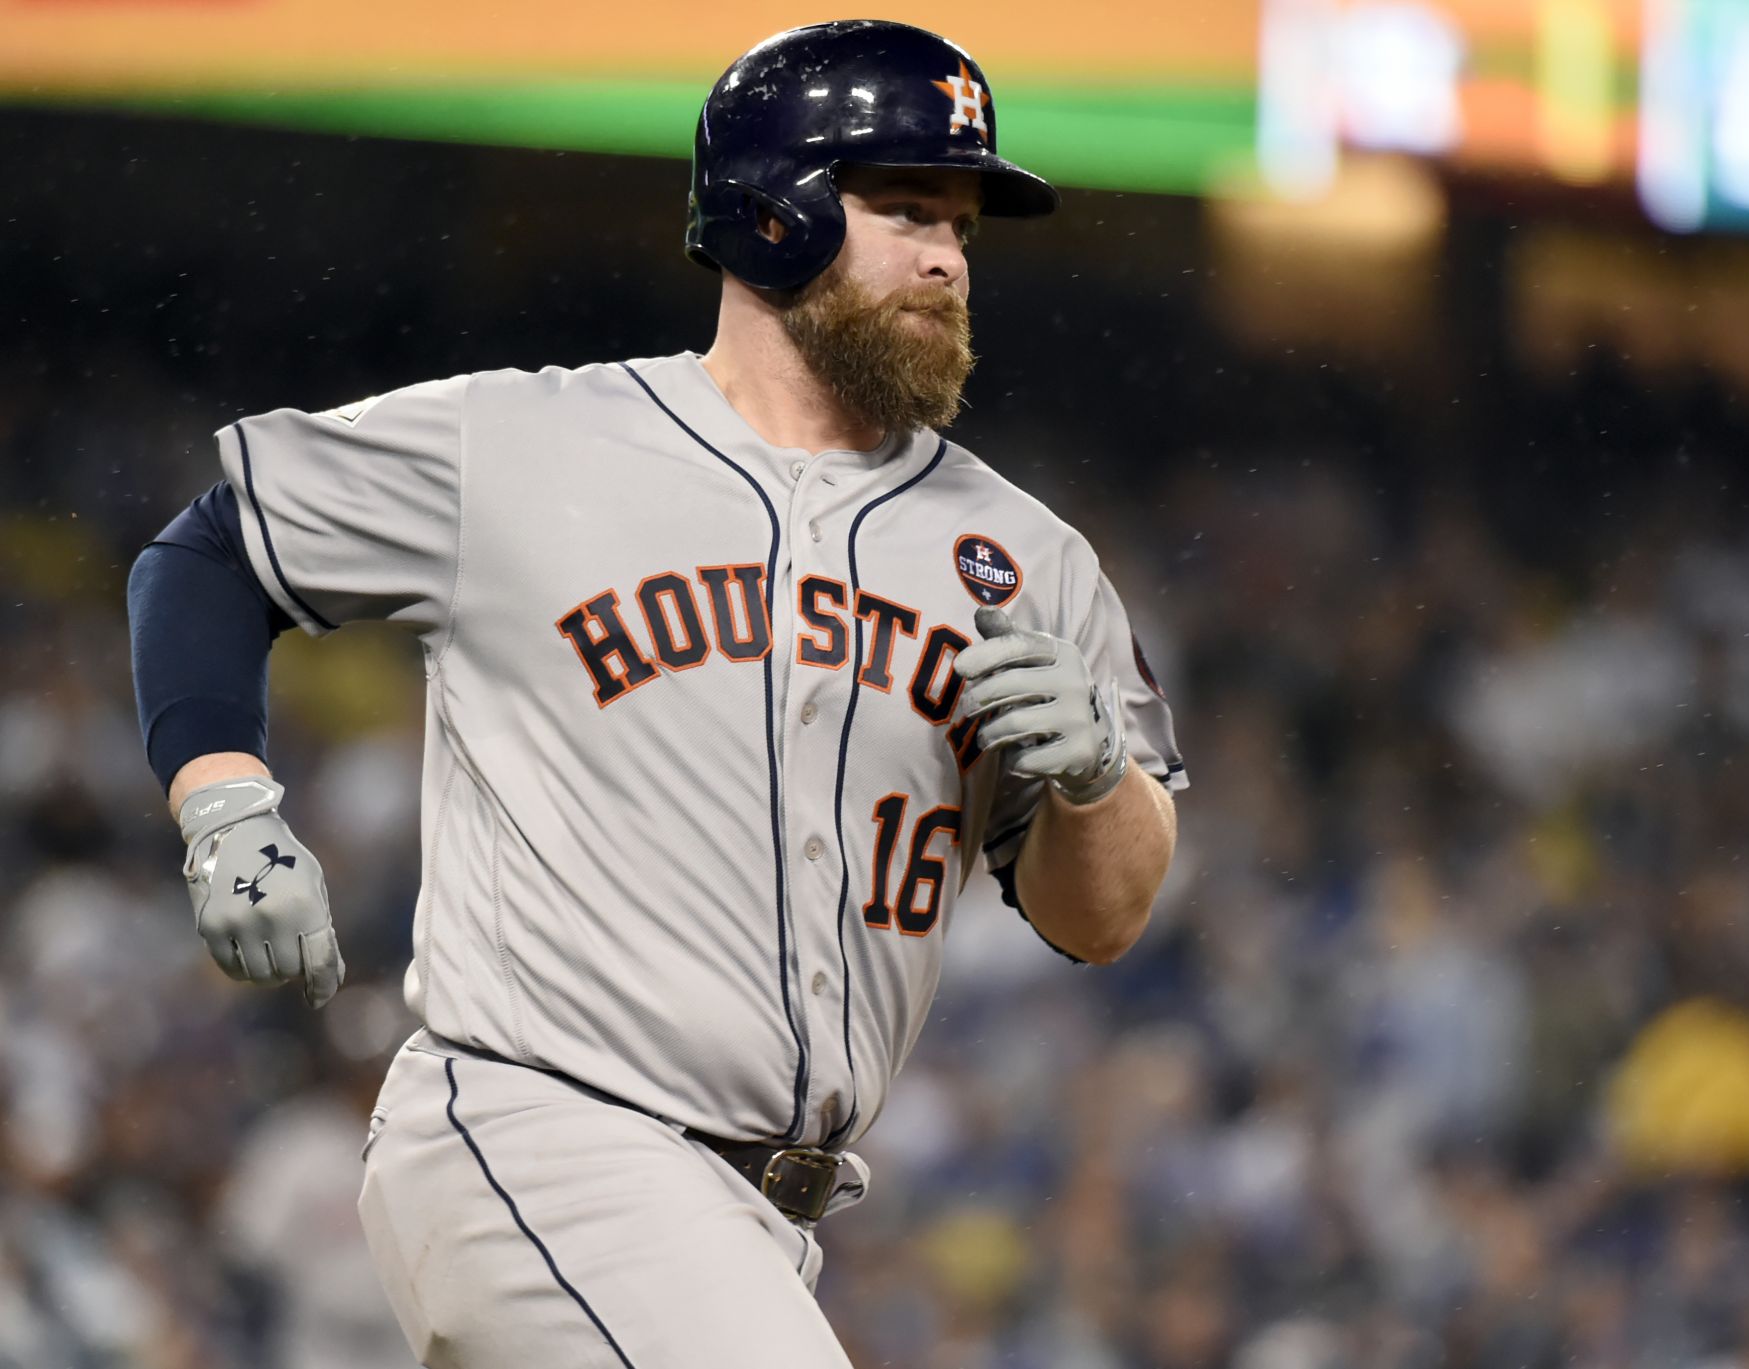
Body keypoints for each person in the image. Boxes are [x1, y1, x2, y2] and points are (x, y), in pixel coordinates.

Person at [126, 17, 1184, 1366]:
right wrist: (225, 802)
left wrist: (1101, 782)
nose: (948, 258)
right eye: (908, 208)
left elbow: (1105, 915)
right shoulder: (532, 442)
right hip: (538, 1129)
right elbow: (211, 551)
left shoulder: (1028, 557)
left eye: (964, 226)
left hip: (760, 1219)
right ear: (775, 212)